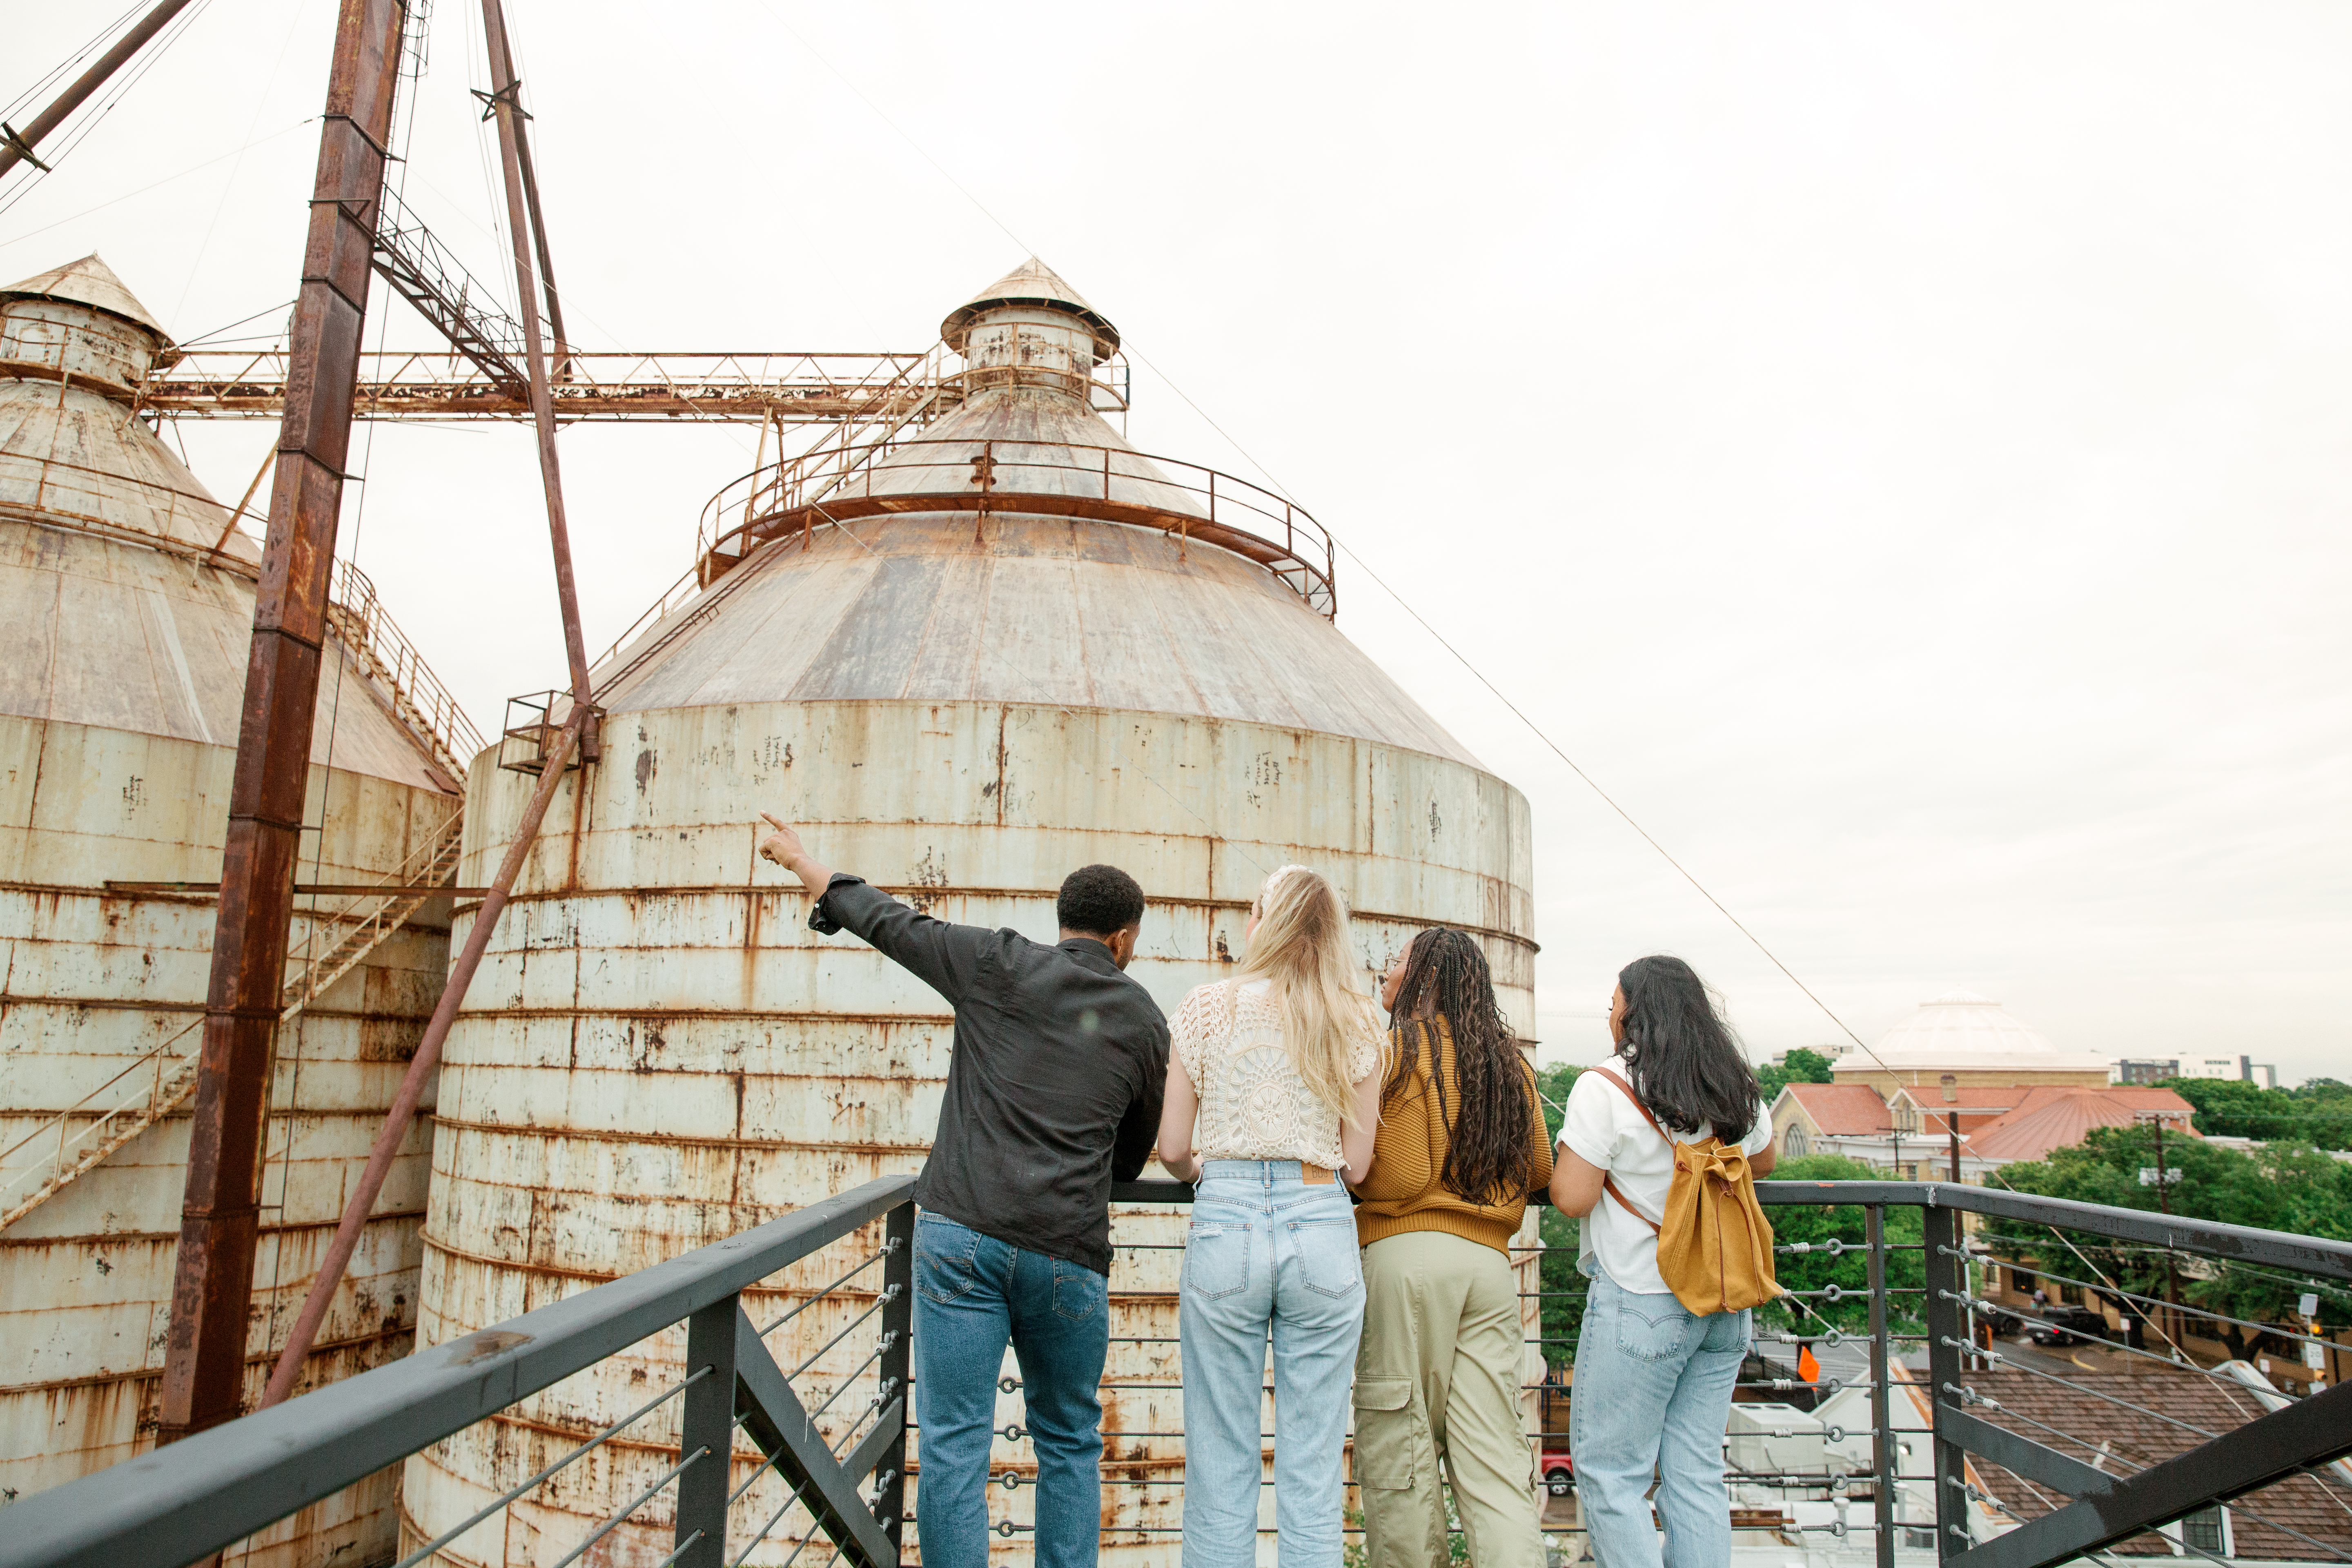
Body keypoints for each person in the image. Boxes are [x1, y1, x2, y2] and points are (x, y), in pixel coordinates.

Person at [757, 816, 1169, 1568]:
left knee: (953, 1445)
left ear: (1064, 922)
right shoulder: (1144, 1017)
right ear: (1123, 939)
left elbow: (888, 923)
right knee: (1071, 1440)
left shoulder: (995, 962)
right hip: (1066, 1256)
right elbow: (1134, 1159)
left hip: (962, 1240)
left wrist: (804, 862)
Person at [1154, 864, 1387, 1568]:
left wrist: (1207, 1174)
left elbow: (1170, 1149)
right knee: (1313, 1474)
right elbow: (1358, 1167)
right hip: (1321, 1223)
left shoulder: (1204, 1008)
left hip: (1225, 1222)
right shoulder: (1361, 1018)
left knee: (1221, 1466)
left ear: (1265, 921)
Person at [1549, 956, 1775, 1568]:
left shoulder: (1606, 1085)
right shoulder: (1730, 1080)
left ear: (1634, 1011)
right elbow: (1764, 1160)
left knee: (1612, 1476)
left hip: (1642, 1298)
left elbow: (1572, 1197)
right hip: (1725, 1298)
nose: (1609, 1014)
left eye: (1614, 1003)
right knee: (1696, 1473)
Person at [1350, 929, 1556, 1568]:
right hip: (1491, 1269)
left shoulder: (1389, 1053)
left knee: (1402, 1453)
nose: (1387, 970)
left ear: (1424, 977)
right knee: (1495, 1455)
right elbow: (1542, 1170)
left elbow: (1366, 1166)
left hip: (1403, 1262)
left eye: (1399, 960)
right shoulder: (1509, 1064)